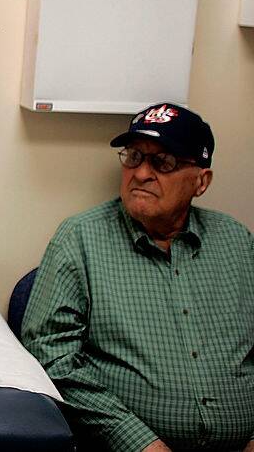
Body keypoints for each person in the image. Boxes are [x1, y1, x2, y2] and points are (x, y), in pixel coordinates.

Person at [22, 103, 254, 452]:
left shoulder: (236, 242)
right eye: (134, 157)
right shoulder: (82, 238)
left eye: (164, 162)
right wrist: (140, 442)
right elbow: (51, 354)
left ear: (201, 181)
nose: (142, 173)